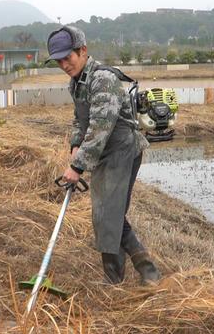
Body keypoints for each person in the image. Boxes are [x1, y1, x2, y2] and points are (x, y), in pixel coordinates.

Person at [46, 26, 161, 285]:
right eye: (59, 61)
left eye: (68, 58)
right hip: (103, 153)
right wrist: (76, 143)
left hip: (121, 149)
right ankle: (117, 276)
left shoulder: (103, 79)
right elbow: (81, 119)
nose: (64, 64)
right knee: (105, 214)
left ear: (83, 51)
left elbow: (101, 127)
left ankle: (147, 271)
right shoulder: (77, 83)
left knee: (109, 213)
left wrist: (77, 166)